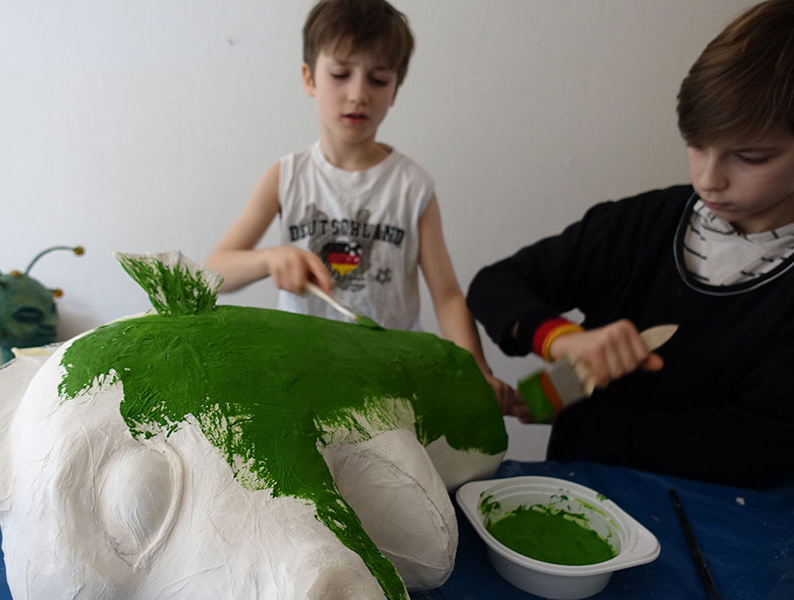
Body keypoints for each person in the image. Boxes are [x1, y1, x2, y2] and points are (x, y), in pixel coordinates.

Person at [467, 0, 794, 488]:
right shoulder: (639, 225)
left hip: (713, 517)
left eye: (750, 157)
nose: (709, 178)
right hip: (577, 493)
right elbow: (495, 284)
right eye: (696, 144)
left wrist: (572, 410)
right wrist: (563, 343)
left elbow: (757, 449)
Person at [206, 0, 517, 411]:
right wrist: (269, 259)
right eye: (340, 74)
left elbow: (446, 296)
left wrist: (476, 367)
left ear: (395, 89)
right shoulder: (285, 177)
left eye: (378, 79)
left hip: (394, 388)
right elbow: (215, 272)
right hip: (306, 384)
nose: (358, 94)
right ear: (309, 78)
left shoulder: (413, 186)